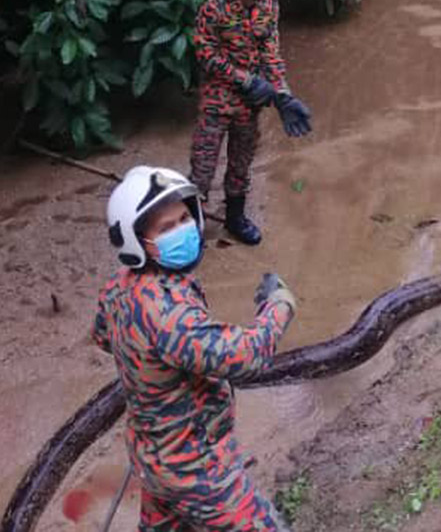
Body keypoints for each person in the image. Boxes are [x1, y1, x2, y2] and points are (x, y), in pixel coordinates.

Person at [95, 165, 297, 531]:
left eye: (185, 218)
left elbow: (103, 337)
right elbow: (247, 357)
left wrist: (153, 377)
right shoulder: (168, 313)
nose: (183, 231)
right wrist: (279, 305)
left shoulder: (118, 287)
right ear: (136, 241)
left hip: (152, 456)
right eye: (166, 228)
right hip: (195, 468)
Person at [189, 0, 313, 245]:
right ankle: (191, 227)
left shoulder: (270, 6)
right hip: (217, 100)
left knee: (241, 164)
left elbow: (271, 54)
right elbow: (204, 53)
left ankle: (235, 219)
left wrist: (283, 95)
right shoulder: (214, 7)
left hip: (250, 104)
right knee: (203, 166)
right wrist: (245, 79)